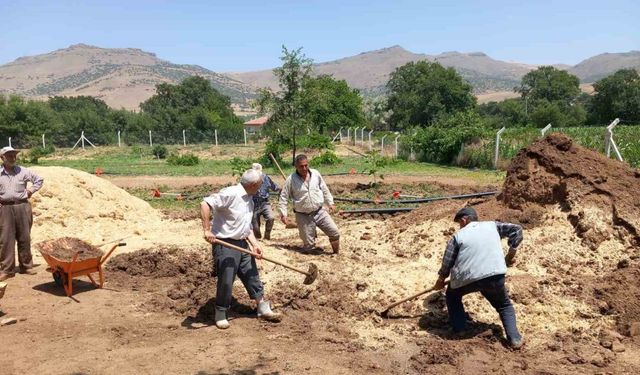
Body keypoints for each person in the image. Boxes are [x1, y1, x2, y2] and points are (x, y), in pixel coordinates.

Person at [432, 207, 524, 349]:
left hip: (467, 278)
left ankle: (460, 329)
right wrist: (511, 253)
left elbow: (448, 260)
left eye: (459, 223)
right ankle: (515, 339)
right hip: (495, 275)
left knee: (452, 296)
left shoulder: (458, 236)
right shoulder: (493, 226)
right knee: (504, 305)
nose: (460, 226)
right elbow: (517, 229)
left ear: (464, 220)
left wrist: (441, 280)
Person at [200, 168, 281, 329]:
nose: (261, 187)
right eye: (260, 184)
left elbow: (246, 227)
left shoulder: (249, 199)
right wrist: (207, 229)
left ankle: (262, 307)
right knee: (226, 279)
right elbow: (205, 203)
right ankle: (221, 312)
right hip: (225, 244)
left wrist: (255, 244)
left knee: (252, 275)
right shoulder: (231, 194)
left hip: (242, 243)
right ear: (254, 184)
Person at [278, 154, 340, 254]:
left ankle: (336, 254)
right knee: (309, 245)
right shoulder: (291, 179)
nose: (304, 168)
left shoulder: (316, 174)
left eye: (306, 165)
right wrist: (283, 214)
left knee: (334, 232)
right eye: (301, 166)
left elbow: (324, 188)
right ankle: (312, 254)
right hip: (303, 215)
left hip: (319, 211)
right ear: (296, 166)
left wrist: (330, 202)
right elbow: (283, 197)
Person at [0, 147, 44, 282]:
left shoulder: (23, 171)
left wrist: (30, 191)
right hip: (5, 208)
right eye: (9, 156)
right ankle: (7, 270)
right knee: (5, 239)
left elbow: (39, 180)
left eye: (14, 155)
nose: (13, 158)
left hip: (23, 206)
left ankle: (26, 266)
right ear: (2, 158)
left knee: (24, 237)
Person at [250, 163, 280, 240]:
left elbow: (274, 187)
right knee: (255, 226)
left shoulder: (266, 178)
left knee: (271, 218)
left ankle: (267, 236)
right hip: (253, 204)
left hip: (265, 203)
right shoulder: (249, 179)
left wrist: (281, 189)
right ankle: (258, 238)